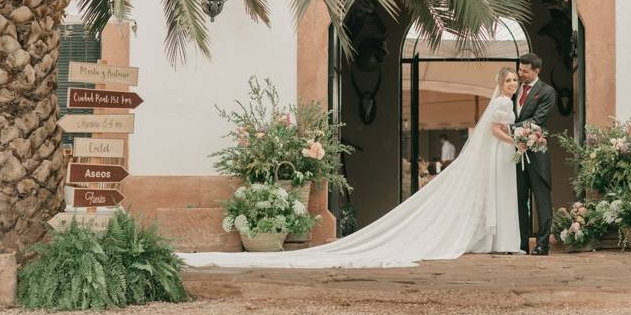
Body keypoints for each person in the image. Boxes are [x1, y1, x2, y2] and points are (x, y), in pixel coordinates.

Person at [181, 67, 524, 269]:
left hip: (498, 155)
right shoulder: (500, 102)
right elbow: (496, 131)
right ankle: (494, 238)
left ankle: (497, 238)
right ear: (501, 83)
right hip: (499, 151)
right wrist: (518, 142)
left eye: (514, 81)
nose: (512, 85)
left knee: (495, 193)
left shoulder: (505, 101)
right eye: (508, 81)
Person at [513, 53, 557, 255]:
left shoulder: (547, 91)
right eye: (520, 70)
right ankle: (522, 244)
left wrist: (506, 127)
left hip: (537, 152)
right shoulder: (514, 89)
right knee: (519, 198)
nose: (520, 74)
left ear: (536, 71)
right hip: (515, 154)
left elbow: (537, 120)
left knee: (541, 199)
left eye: (525, 71)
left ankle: (542, 244)